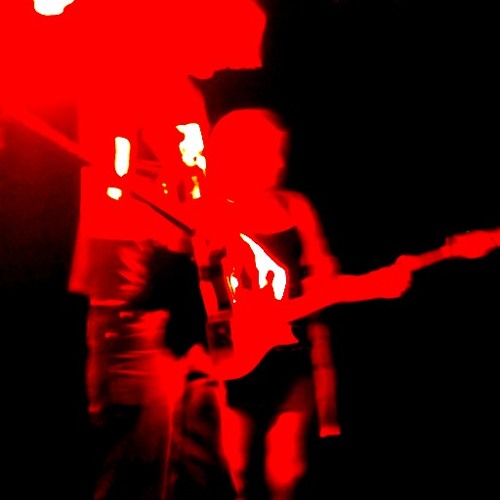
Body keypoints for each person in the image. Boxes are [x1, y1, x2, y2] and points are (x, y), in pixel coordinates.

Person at [192, 107, 414, 500]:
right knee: (236, 471)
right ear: (236, 157)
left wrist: (375, 283)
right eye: (267, 154)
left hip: (291, 359)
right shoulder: (214, 220)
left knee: (286, 471)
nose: (280, 164)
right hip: (236, 363)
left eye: (282, 153)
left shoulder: (297, 208)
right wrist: (356, 290)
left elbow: (324, 284)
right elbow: (231, 311)